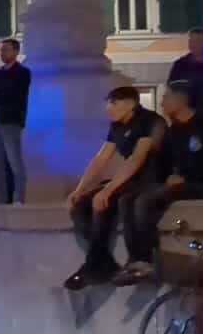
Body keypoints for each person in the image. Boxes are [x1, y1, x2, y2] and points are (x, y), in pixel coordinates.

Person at [114, 80, 203, 286]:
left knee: (144, 202)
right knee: (126, 199)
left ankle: (148, 260)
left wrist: (186, 177)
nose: (163, 102)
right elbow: (163, 165)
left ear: (181, 100)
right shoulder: (172, 132)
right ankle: (135, 259)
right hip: (176, 184)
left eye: (166, 97)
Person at [65, 86, 166, 291]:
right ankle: (103, 261)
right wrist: (79, 189)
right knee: (81, 204)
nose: (108, 108)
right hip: (129, 179)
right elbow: (101, 159)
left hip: (150, 179)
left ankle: (94, 265)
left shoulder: (150, 121)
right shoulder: (116, 126)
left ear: (131, 104)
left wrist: (108, 190)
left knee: (106, 202)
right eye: (108, 103)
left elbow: (137, 159)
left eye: (114, 103)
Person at [0, 38, 31, 205]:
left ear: (16, 52)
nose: (2, 53)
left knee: (14, 162)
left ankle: (18, 198)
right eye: (1, 50)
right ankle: (1, 200)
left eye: (6, 50)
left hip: (10, 121)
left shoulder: (23, 73)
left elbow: (14, 95)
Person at [168, 28, 203, 119]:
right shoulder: (180, 65)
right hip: (187, 116)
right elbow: (173, 89)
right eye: (191, 41)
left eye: (198, 41)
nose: (193, 44)